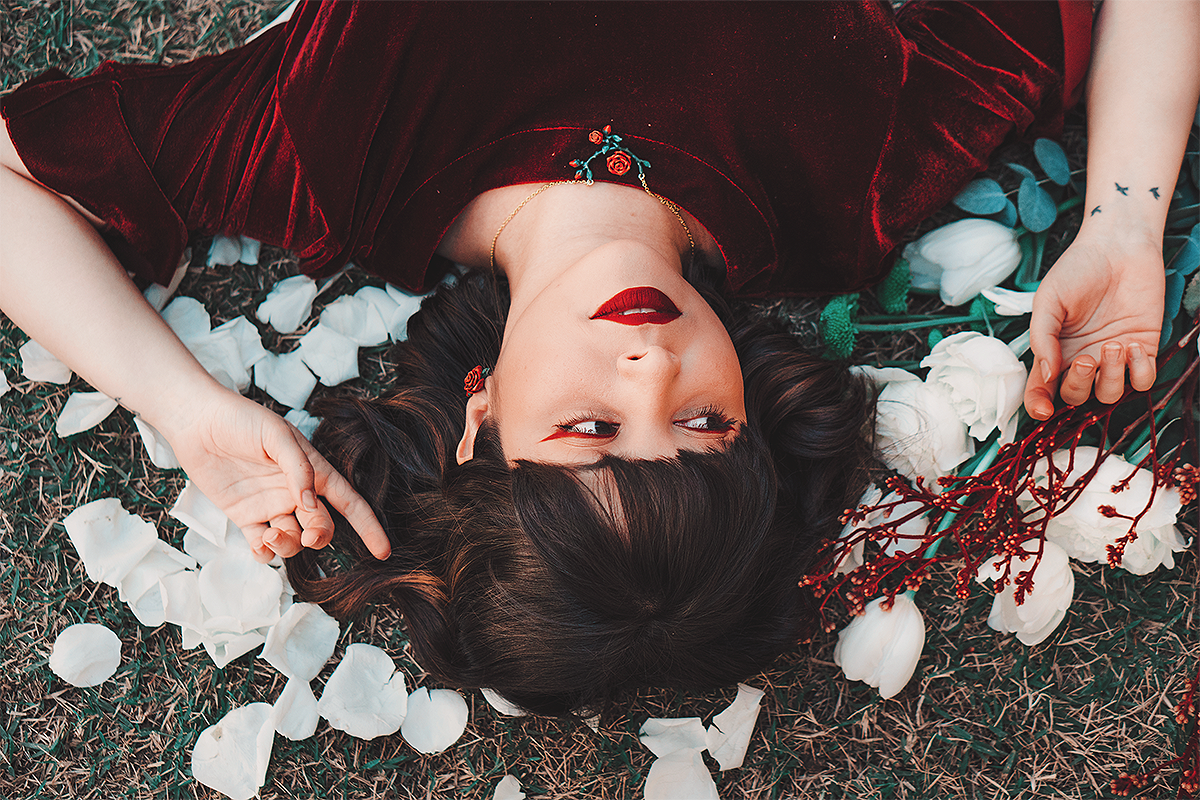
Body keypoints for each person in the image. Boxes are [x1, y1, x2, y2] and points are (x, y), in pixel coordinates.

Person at [0, 0, 1195, 712]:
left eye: (588, 433)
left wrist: (179, 398)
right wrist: (1126, 221)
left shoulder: (329, 156)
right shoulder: (849, 185)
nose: (653, 375)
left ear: (479, 422)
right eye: (705, 429)